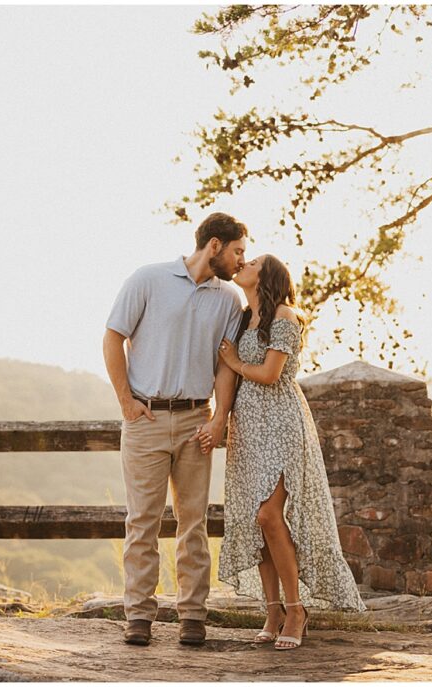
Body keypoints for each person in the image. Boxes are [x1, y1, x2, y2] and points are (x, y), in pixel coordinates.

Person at [197, 254, 367, 651]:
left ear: (267, 275)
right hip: (248, 428)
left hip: (281, 423)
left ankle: (296, 609)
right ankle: (272, 610)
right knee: (256, 523)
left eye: (251, 261)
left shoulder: (286, 316)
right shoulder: (242, 318)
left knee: (269, 515)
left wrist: (236, 362)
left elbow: (271, 373)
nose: (243, 263)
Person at [102, 212, 247, 646]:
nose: (242, 260)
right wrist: (126, 401)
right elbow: (113, 338)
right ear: (215, 246)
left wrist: (220, 418)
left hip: (194, 421)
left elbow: (225, 365)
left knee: (193, 523)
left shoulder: (228, 301)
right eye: (238, 251)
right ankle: (140, 617)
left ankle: (192, 616)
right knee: (142, 522)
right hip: (145, 419)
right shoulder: (148, 279)